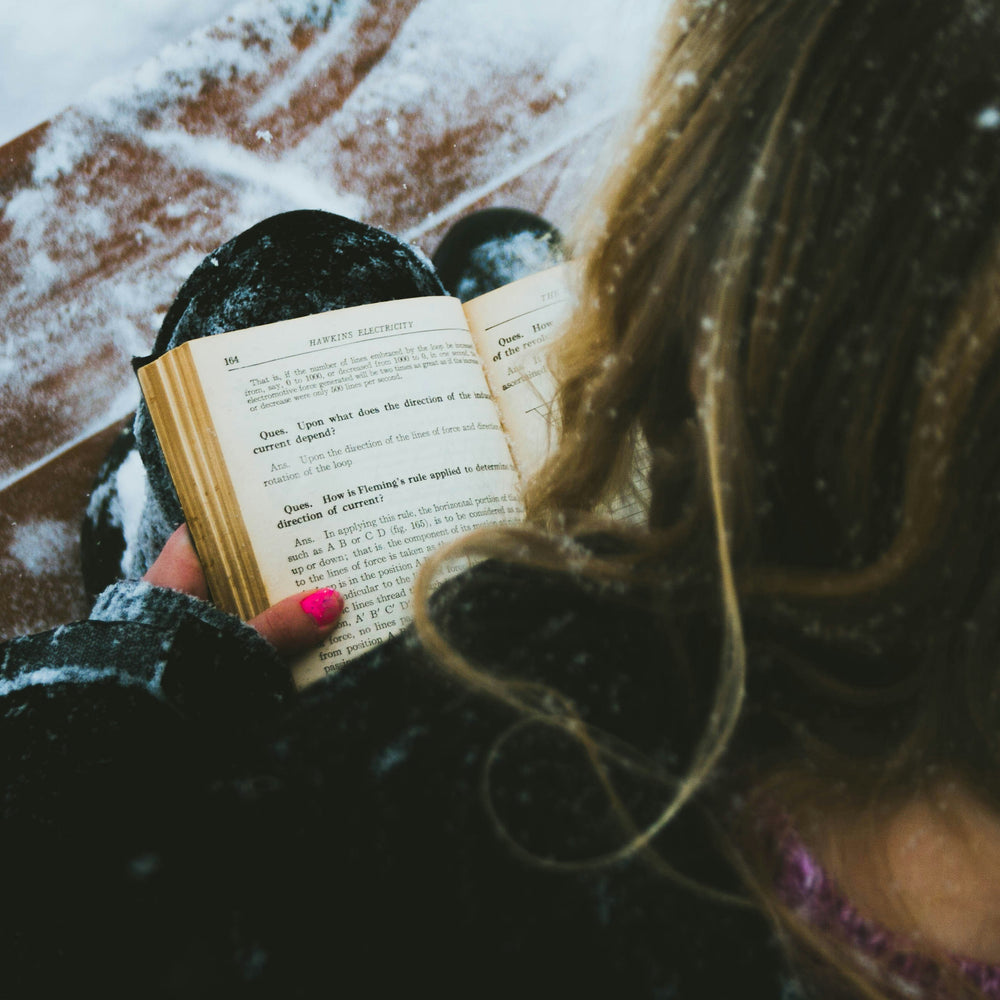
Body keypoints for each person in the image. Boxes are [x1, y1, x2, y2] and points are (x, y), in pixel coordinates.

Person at [4, 0, 1000, 996]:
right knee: (500, 254)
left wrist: (137, 682)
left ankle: (135, 540)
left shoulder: (455, 795)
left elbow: (73, 914)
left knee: (300, 286)